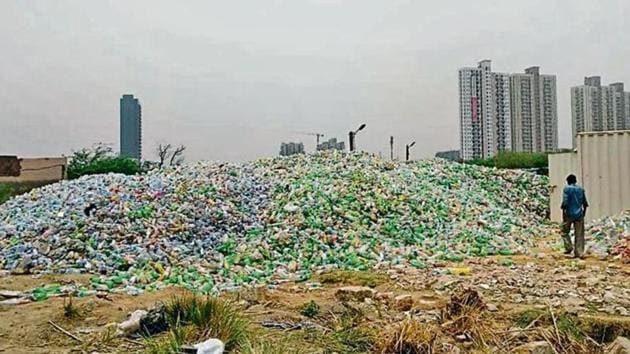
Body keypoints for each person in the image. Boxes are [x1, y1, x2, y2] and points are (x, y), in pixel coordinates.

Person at [561, 174, 589, 258]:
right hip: (579, 214)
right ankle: (579, 252)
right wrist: (583, 213)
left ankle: (568, 247)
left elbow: (565, 202)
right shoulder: (581, 189)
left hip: (569, 213)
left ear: (568, 181)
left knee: (564, 231)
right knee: (579, 234)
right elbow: (585, 203)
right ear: (575, 181)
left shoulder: (566, 189)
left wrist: (563, 211)